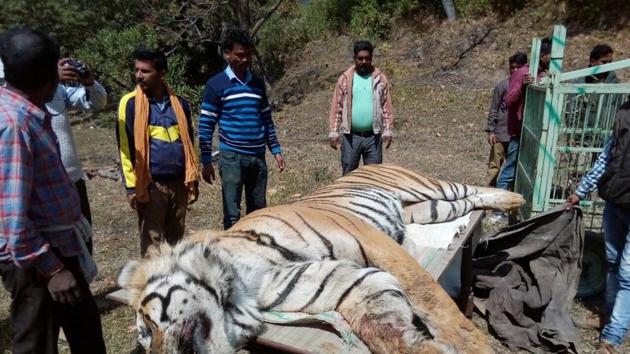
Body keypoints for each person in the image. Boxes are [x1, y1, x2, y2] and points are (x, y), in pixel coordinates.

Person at [0, 28, 105, 354]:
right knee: (37, 345)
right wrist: (54, 269)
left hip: (60, 248)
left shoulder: (26, 110)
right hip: (37, 263)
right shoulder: (14, 125)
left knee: (87, 335)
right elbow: (12, 218)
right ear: (47, 78)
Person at [116, 48, 199, 256]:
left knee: (175, 242)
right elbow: (125, 149)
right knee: (152, 245)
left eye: (145, 71)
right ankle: (153, 286)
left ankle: (173, 286)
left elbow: (189, 141)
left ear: (162, 73)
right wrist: (131, 187)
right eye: (137, 70)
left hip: (179, 183)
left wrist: (192, 178)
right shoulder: (130, 103)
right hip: (151, 186)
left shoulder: (180, 103)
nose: (138, 76)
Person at [199, 28, 285, 230]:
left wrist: (276, 150)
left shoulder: (256, 84)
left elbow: (266, 119)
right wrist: (205, 159)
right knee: (232, 213)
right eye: (240, 55)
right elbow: (206, 124)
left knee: (259, 211)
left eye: (248, 55)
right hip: (232, 158)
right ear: (227, 54)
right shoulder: (216, 85)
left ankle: (256, 252)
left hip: (257, 156)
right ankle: (232, 253)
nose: (246, 59)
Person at [566, 100, 630, 354]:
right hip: (615, 202)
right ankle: (609, 315)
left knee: (627, 275)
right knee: (613, 263)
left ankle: (612, 338)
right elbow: (607, 156)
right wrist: (581, 191)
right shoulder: (624, 112)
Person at [47, 58, 107, 230]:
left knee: (84, 239)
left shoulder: (59, 90)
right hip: (45, 187)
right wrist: (50, 78)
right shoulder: (15, 93)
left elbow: (98, 102)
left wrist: (88, 82)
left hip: (73, 181)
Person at [328, 40, 394, 176]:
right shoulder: (345, 79)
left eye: (367, 58)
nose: (364, 61)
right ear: (354, 58)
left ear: (371, 58)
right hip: (351, 137)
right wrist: (333, 132)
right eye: (360, 58)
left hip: (373, 138)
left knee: (374, 178)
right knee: (348, 177)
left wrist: (388, 131)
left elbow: (386, 106)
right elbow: (337, 107)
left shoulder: (380, 79)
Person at [495, 38, 552, 191]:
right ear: (543, 56)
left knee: (525, 171)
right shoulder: (521, 74)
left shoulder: (541, 75)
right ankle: (497, 209)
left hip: (534, 132)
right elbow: (509, 101)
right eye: (551, 56)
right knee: (510, 171)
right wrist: (523, 86)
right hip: (520, 132)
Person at [485, 52, 528, 187]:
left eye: (518, 68)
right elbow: (494, 108)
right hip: (500, 134)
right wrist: (491, 131)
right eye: (512, 67)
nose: (515, 71)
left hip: (516, 135)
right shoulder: (502, 86)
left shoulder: (528, 87)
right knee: (494, 168)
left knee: (512, 170)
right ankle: (488, 198)